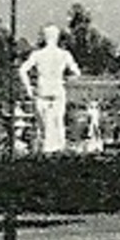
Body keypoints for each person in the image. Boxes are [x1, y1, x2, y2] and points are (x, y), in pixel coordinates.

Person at [19, 24, 81, 153]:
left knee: (45, 129)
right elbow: (76, 73)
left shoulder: (38, 55)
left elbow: (22, 70)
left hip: (43, 91)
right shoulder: (64, 55)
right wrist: (65, 82)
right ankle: (56, 153)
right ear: (57, 37)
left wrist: (29, 88)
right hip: (57, 91)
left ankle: (48, 153)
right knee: (57, 125)